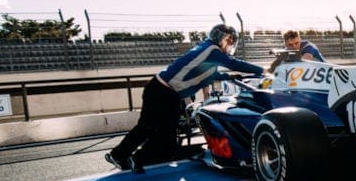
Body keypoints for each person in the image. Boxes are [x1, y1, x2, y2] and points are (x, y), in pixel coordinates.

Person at [105, 24, 264, 172]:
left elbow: (210, 74)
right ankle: (137, 158)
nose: (229, 43)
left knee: (148, 128)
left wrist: (230, 77)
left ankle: (120, 155)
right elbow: (233, 63)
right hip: (164, 92)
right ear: (219, 38)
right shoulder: (212, 50)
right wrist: (261, 70)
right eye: (227, 39)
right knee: (162, 133)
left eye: (231, 40)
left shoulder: (206, 51)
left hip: (160, 89)